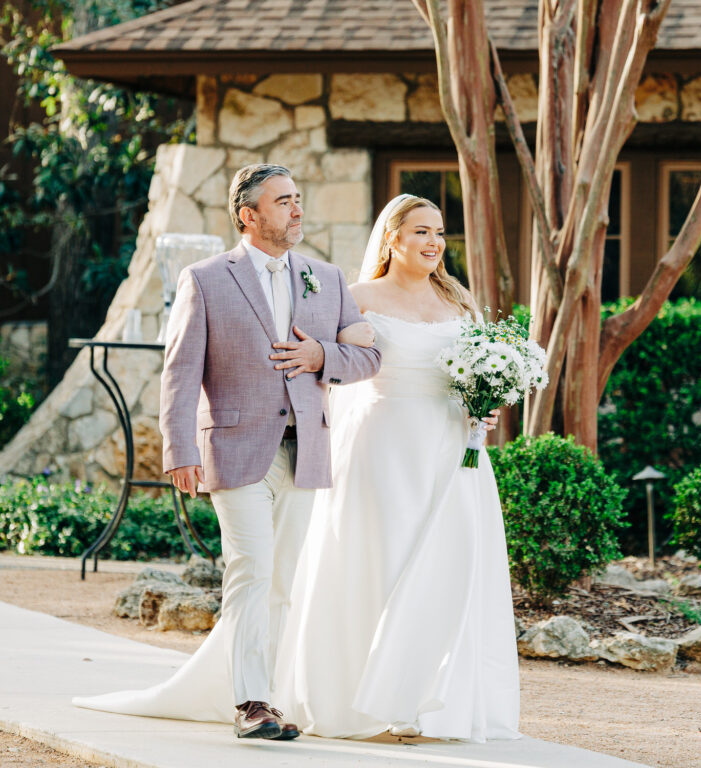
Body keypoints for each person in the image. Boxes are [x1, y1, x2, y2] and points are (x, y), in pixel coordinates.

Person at [73, 164, 381, 741]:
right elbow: (180, 372)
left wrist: (322, 356)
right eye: (283, 200)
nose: (297, 209)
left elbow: (369, 357)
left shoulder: (327, 278)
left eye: (297, 198)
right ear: (248, 215)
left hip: (306, 452)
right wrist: (178, 448)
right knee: (251, 570)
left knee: (283, 581)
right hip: (235, 449)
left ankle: (271, 695)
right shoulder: (206, 279)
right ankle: (251, 704)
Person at [273, 194, 521, 742]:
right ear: (392, 239)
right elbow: (331, 363)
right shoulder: (357, 297)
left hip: (454, 449)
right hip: (384, 446)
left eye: (439, 232)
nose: (434, 242)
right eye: (421, 232)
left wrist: (488, 402)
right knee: (384, 560)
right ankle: (366, 701)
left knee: (451, 568)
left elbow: (477, 373)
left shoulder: (459, 301)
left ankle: (432, 703)